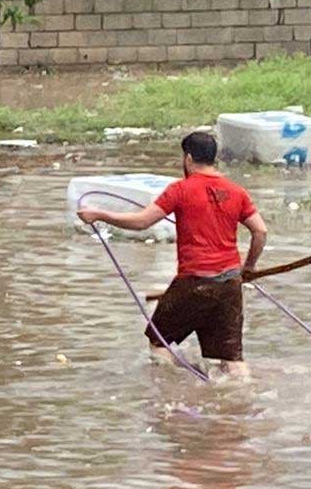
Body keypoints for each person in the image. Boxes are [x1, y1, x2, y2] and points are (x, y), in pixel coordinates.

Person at [77, 129, 269, 379]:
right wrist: (249, 267)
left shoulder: (180, 189)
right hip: (230, 283)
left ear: (188, 158)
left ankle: (172, 390)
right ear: (214, 159)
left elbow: (142, 222)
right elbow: (261, 232)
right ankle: (244, 397)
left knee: (159, 343)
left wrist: (100, 214)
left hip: (193, 282)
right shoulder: (237, 191)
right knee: (231, 358)